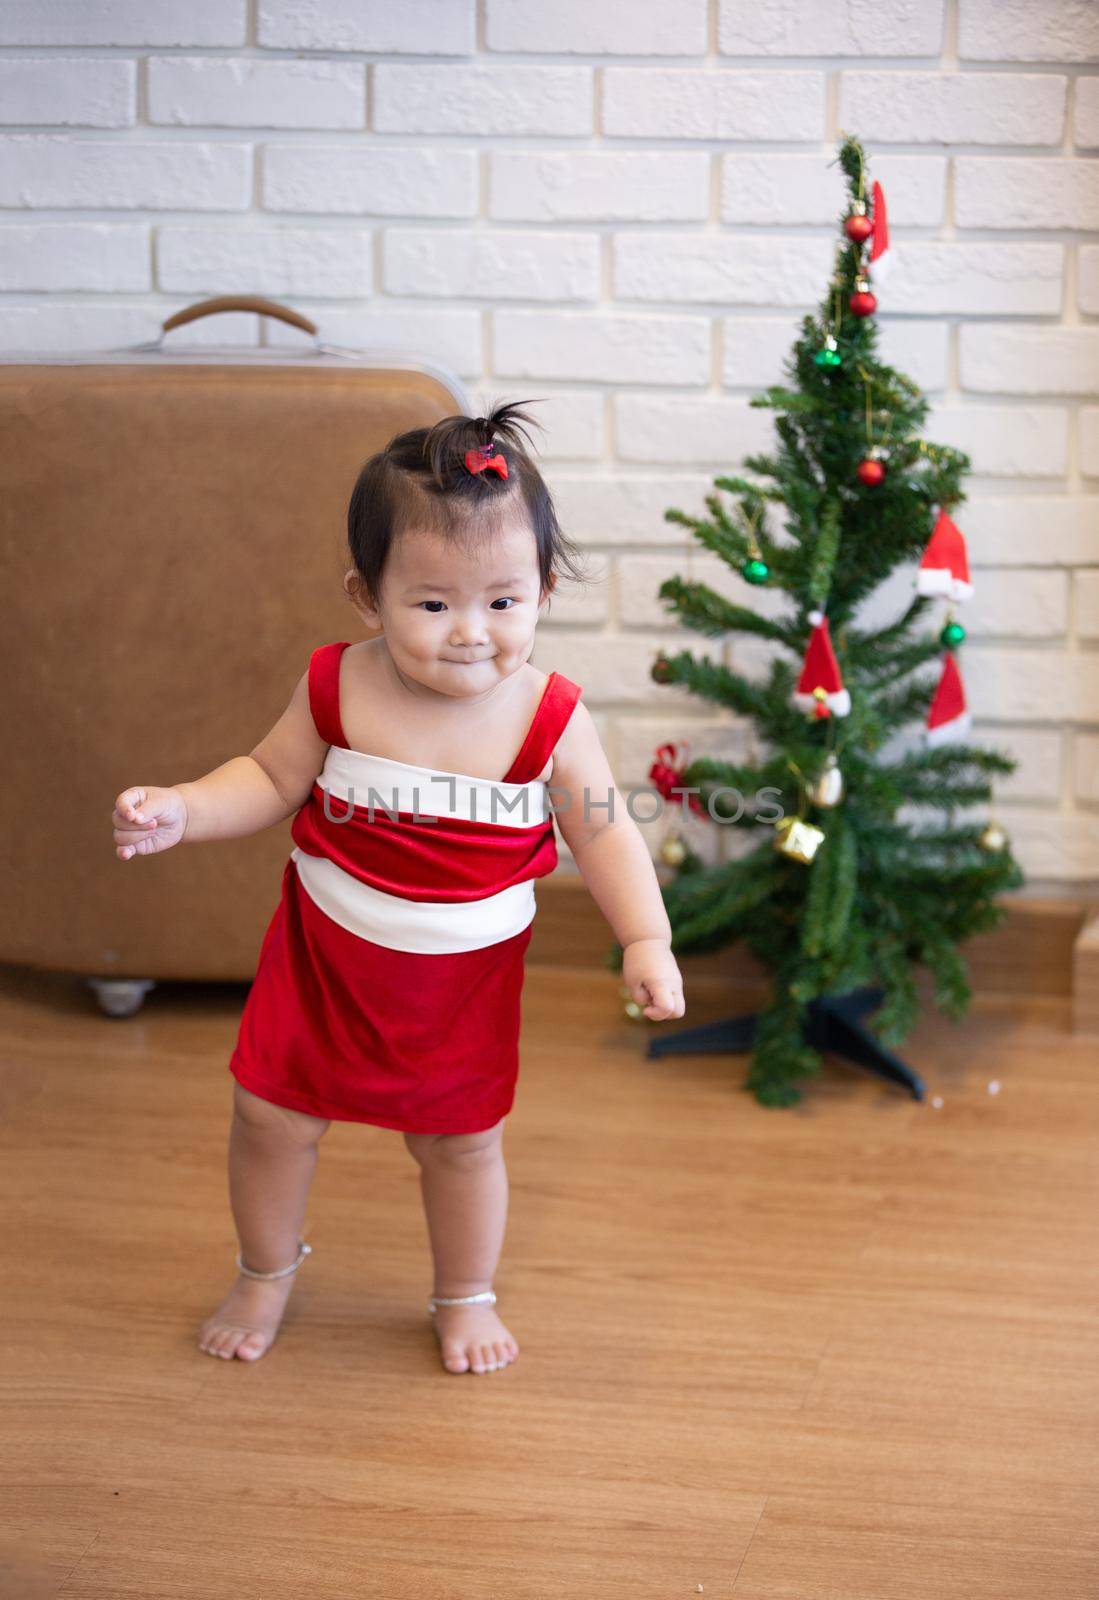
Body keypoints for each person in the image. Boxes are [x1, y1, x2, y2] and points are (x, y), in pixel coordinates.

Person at [110, 399, 686, 1376]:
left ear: (542, 591)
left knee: (459, 1146)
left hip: (456, 989)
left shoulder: (548, 716)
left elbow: (601, 831)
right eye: (433, 604)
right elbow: (266, 777)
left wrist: (645, 937)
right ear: (366, 596)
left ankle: (465, 1293)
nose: (471, 633)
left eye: (503, 602)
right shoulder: (339, 685)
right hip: (324, 962)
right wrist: (183, 806)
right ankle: (263, 1268)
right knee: (269, 1116)